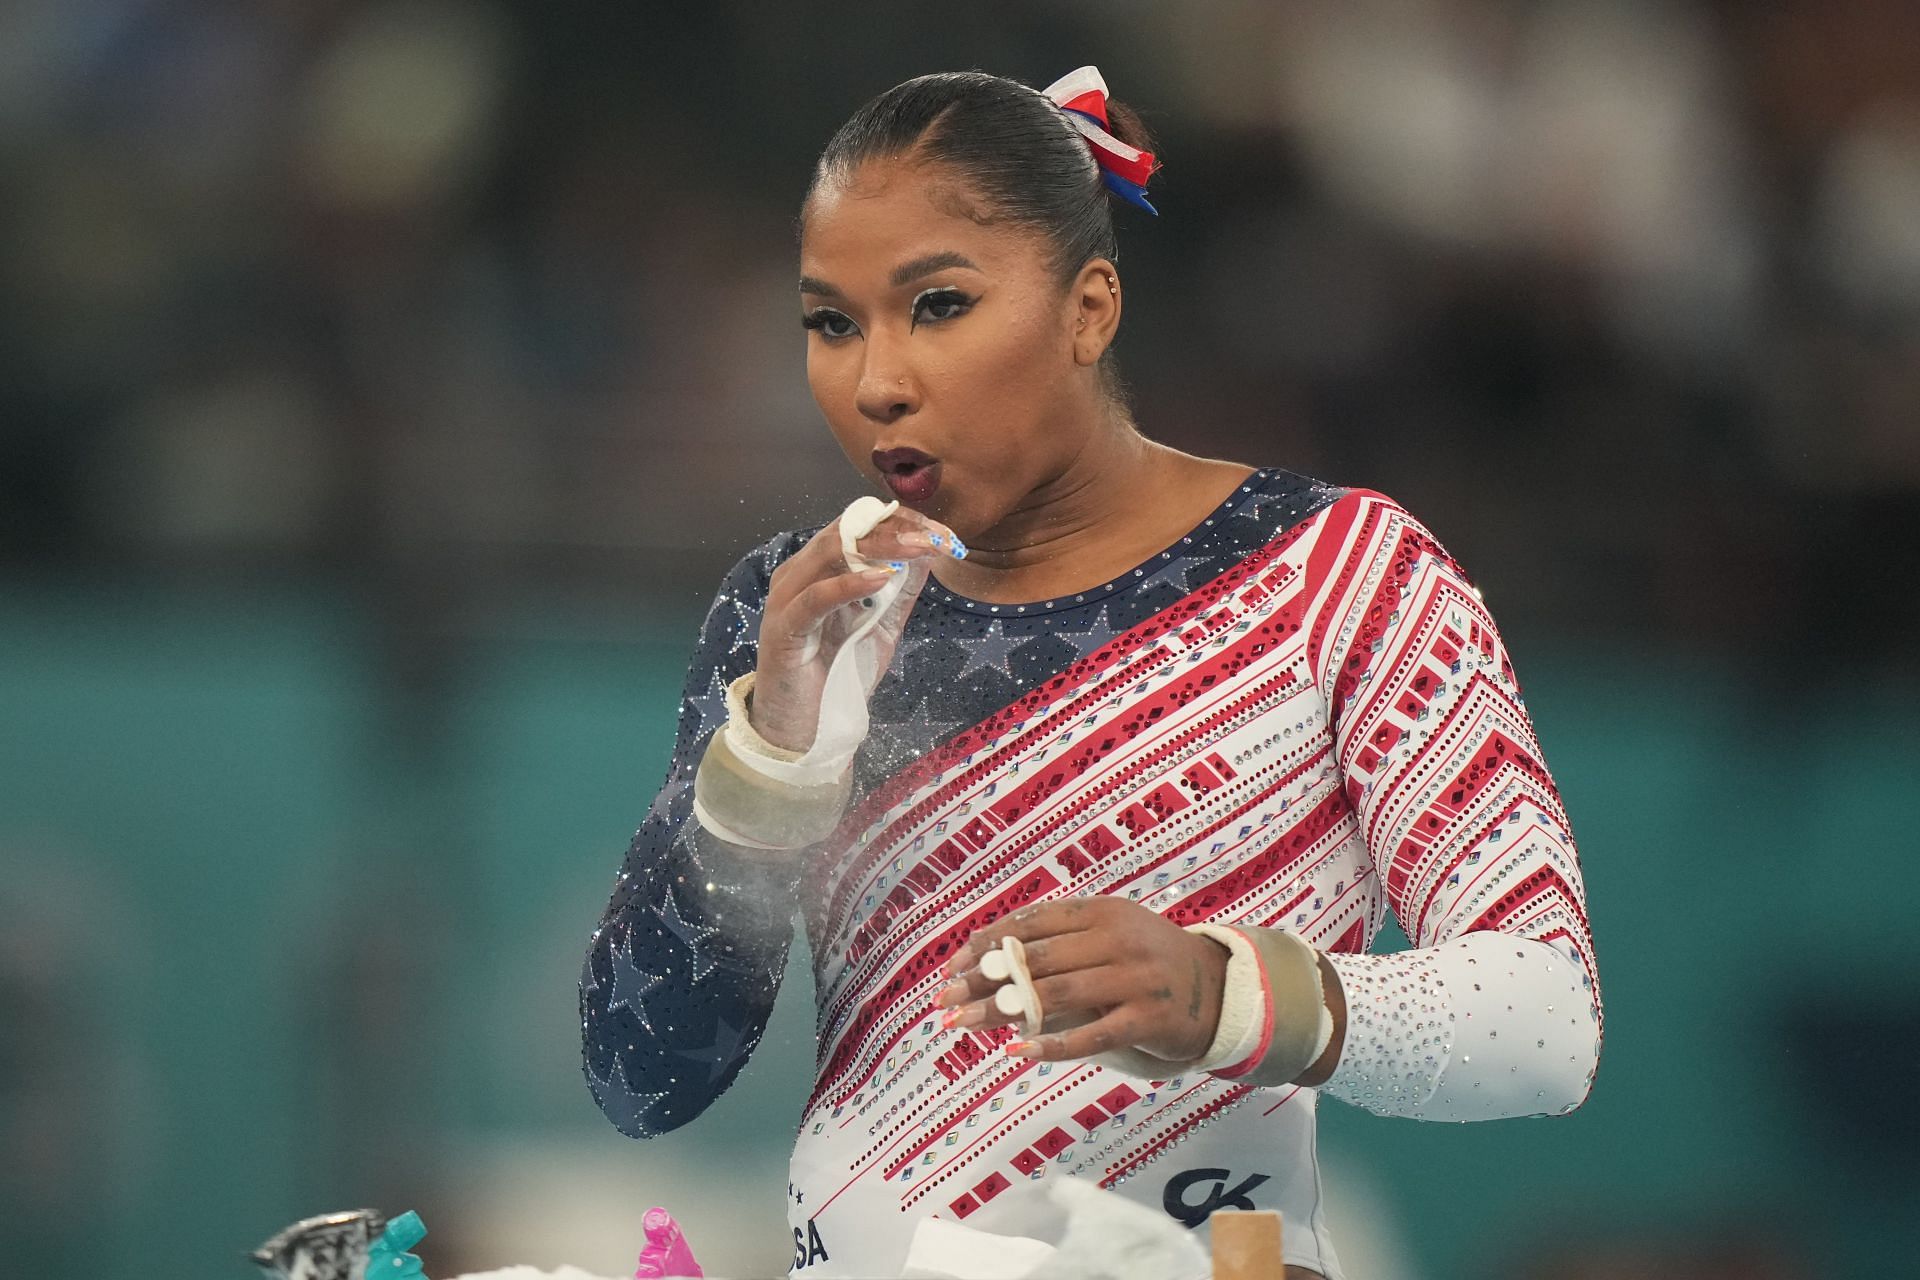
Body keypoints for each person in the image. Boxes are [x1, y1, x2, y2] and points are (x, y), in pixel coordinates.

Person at [580, 67, 1601, 1280]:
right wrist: (768, 776)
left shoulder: (1340, 573)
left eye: (939, 304)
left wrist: (1227, 996)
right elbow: (639, 1079)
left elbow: (1547, 1023)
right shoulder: (800, 615)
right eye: (832, 321)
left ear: (1090, 307)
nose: (876, 382)